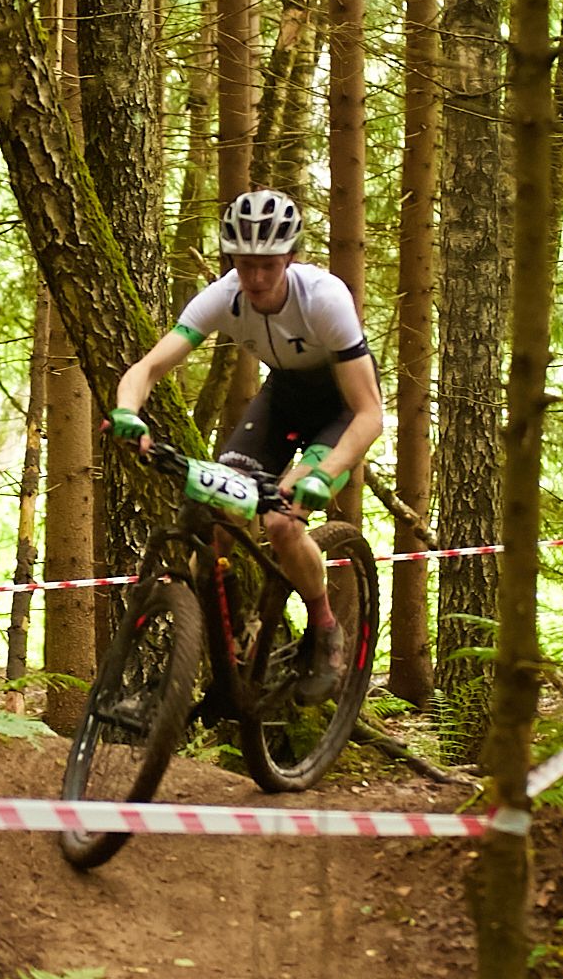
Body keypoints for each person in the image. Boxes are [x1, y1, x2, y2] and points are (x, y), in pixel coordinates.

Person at [109, 189, 384, 703]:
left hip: (340, 412)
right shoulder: (224, 296)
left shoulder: (324, 298)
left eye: (269, 265)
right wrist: (127, 411)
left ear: (291, 258)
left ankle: (325, 629)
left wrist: (324, 475)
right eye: (244, 264)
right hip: (281, 402)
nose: (255, 279)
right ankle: (225, 651)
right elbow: (148, 368)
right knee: (218, 514)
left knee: (281, 522)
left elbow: (370, 415)